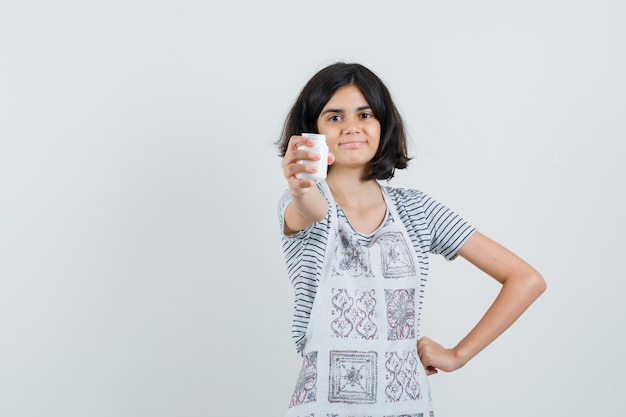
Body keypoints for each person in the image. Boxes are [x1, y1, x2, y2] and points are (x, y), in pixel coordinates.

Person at [276, 62, 546, 417]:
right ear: (313, 131)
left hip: (407, 407)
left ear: (383, 123)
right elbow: (308, 209)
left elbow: (526, 280)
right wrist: (300, 187)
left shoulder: (416, 210)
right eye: (334, 117)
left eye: (365, 114)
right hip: (322, 407)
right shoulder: (301, 204)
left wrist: (457, 355)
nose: (352, 127)